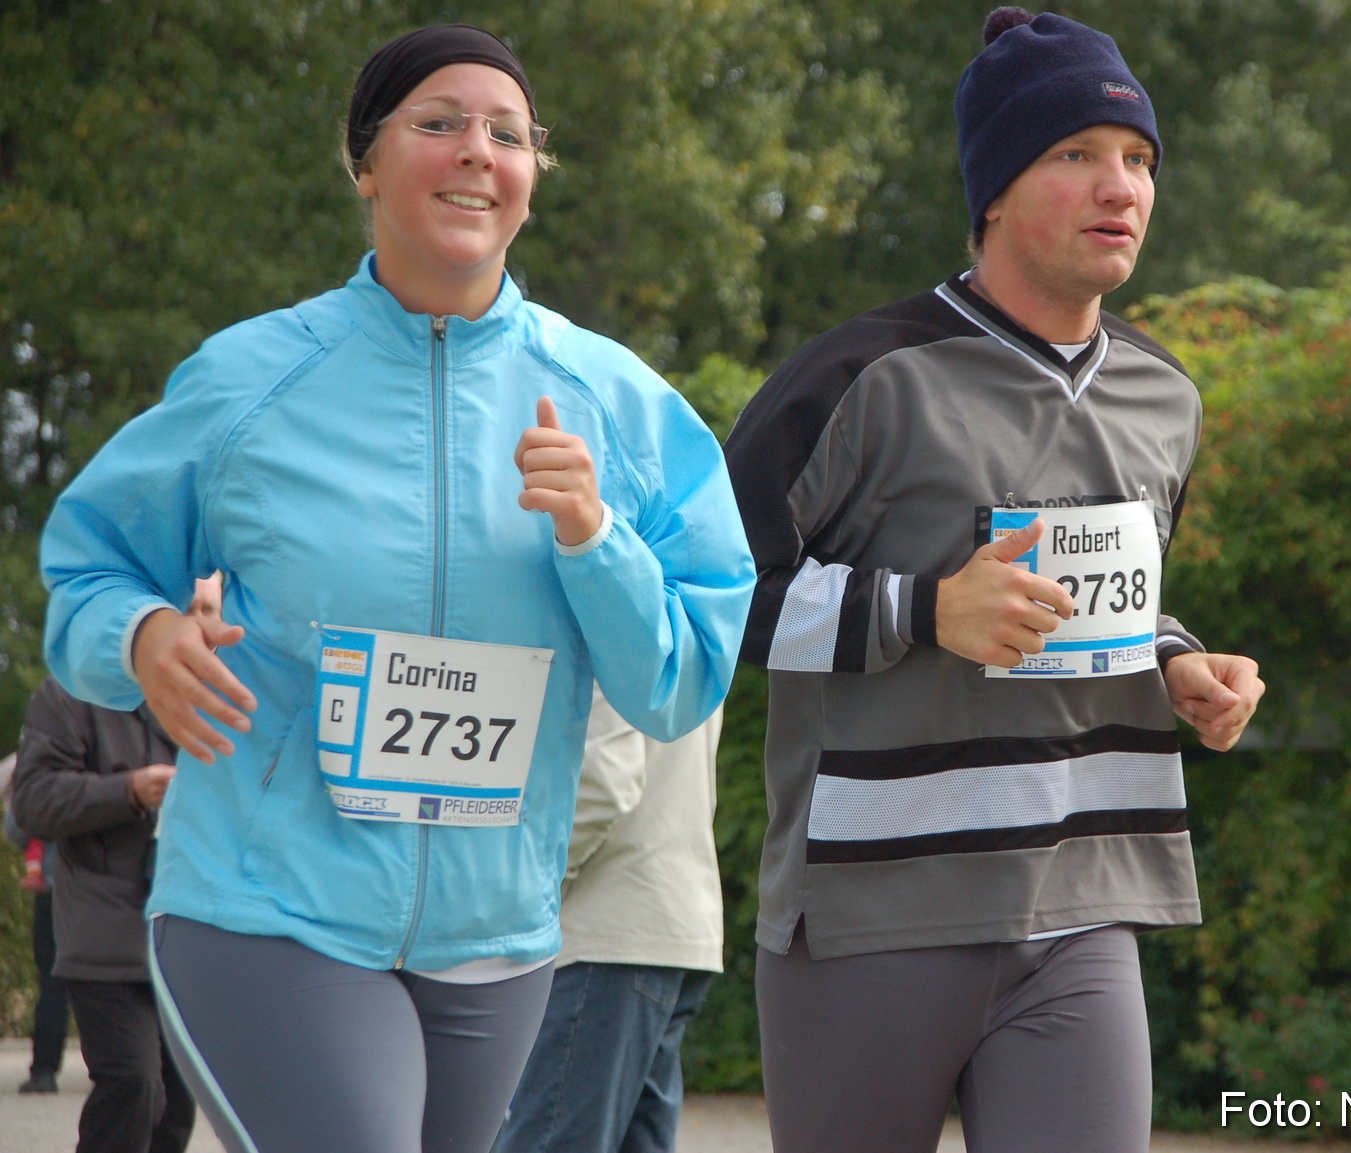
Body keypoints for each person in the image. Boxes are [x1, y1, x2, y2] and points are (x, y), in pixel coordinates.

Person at [38, 23, 753, 1153]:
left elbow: (680, 680)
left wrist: (594, 536)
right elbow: (88, 565)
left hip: (501, 938)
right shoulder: (250, 379)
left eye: (509, 134)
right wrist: (141, 630)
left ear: (530, 182)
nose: (479, 150)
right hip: (268, 909)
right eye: (440, 123)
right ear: (366, 164)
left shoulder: (618, 404)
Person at [723, 9, 1266, 1152]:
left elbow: (1106, 594)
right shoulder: (856, 378)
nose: (1119, 185)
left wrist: (1178, 659)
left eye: (1138, 159)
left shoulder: (1168, 395)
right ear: (994, 191)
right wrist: (926, 608)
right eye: (1074, 154)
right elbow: (712, 599)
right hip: (874, 914)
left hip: (1085, 905)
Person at [494, 686, 724, 1153]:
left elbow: (604, 780)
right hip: (669, 920)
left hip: (602, 927)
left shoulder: (611, 625)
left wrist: (521, 887)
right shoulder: (683, 621)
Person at [9, 675, 195, 1153]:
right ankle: (44, 1069)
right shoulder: (70, 693)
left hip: (192, 928)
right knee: (134, 1083)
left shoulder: (219, 687)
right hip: (104, 929)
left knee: (176, 1106)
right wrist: (129, 789)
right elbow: (32, 803)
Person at [3, 752, 71, 1096]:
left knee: (53, 982)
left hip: (53, 889)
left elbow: (15, 829)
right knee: (117, 980)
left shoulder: (43, 782)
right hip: (110, 891)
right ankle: (120, 1069)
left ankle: (44, 1070)